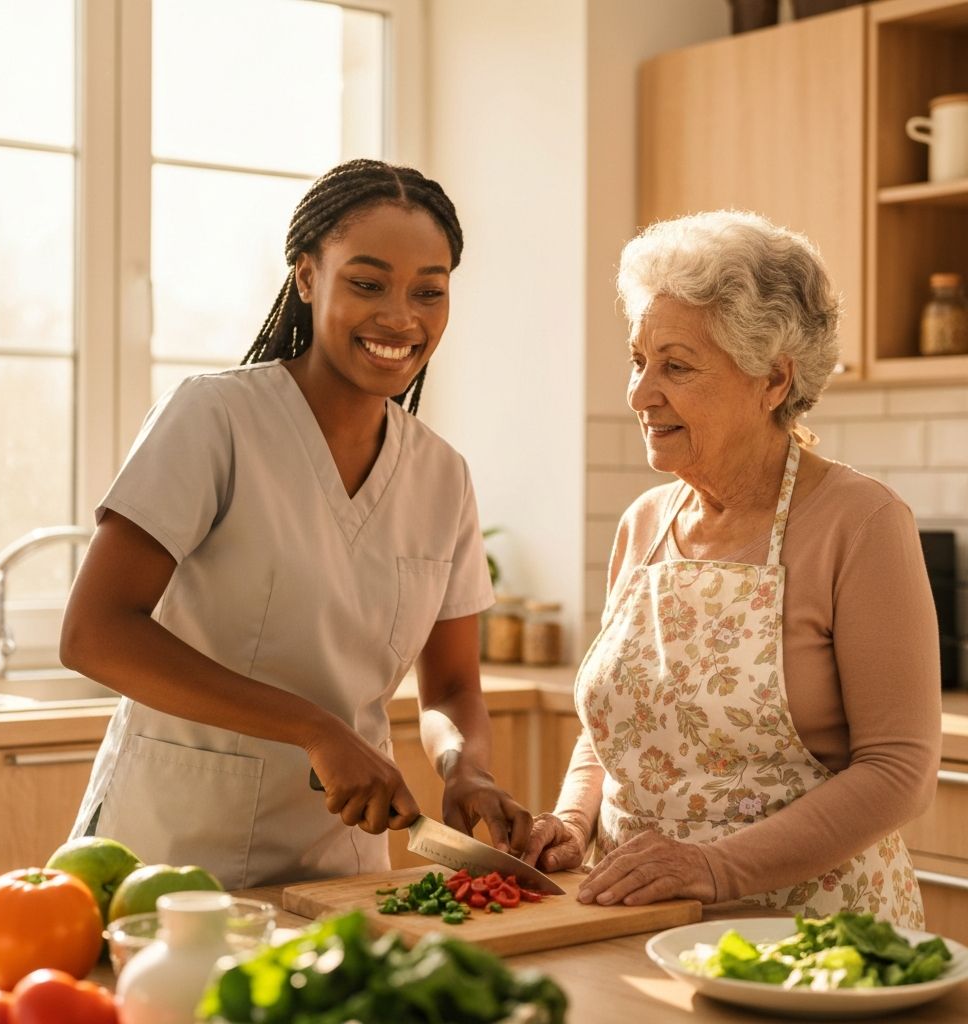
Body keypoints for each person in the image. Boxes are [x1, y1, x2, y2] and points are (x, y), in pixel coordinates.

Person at [60, 158, 532, 890]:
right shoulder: (214, 419)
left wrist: (465, 769)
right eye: (367, 283)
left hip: (336, 866)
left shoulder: (443, 476)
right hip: (171, 850)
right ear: (308, 278)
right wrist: (316, 728)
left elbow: (450, 688)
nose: (401, 317)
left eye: (428, 292)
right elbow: (95, 632)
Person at [523, 210, 941, 926]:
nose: (639, 394)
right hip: (635, 922)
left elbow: (899, 772)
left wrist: (716, 868)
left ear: (774, 379)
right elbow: (615, 728)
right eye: (637, 360)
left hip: (809, 941)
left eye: (675, 366)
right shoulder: (644, 524)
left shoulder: (861, 522)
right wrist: (571, 821)